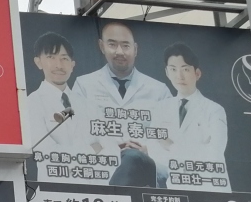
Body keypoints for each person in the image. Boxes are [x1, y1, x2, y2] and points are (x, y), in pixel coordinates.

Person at [74, 20, 170, 187]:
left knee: (133, 158)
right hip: (102, 172)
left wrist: (146, 151)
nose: (119, 51)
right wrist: (112, 151)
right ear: (102, 46)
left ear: (135, 49)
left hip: (147, 173)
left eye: (126, 45)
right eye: (112, 44)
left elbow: (170, 139)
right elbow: (78, 135)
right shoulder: (84, 86)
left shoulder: (158, 90)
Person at [144, 43, 230, 191]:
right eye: (173, 69)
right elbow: (153, 151)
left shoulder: (214, 110)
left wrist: (171, 146)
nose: (179, 76)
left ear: (197, 73)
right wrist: (195, 150)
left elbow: (214, 153)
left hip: (210, 188)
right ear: (167, 73)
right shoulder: (160, 108)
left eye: (185, 69)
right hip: (175, 186)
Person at [24, 32, 90, 166]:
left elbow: (105, 145)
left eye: (64, 58)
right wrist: (89, 150)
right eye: (51, 57)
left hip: (92, 176)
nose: (59, 65)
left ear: (72, 65)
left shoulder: (86, 103)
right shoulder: (31, 103)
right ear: (38, 62)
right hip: (55, 176)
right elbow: (45, 150)